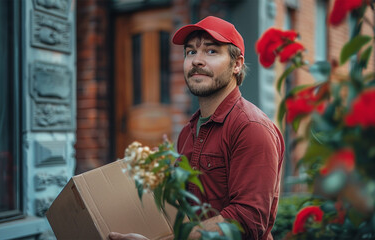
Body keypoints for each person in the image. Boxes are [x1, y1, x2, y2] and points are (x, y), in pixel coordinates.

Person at [109, 16, 285, 240]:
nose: (197, 61)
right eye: (191, 52)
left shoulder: (250, 127)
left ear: (237, 64)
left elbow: (247, 221)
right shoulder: (188, 132)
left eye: (211, 51)